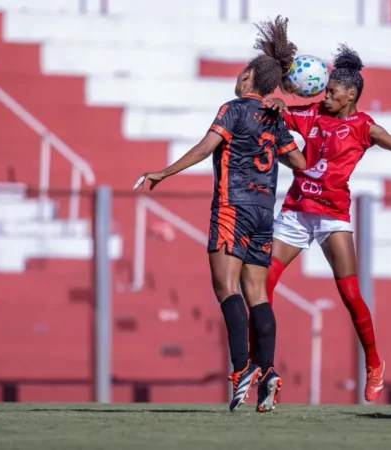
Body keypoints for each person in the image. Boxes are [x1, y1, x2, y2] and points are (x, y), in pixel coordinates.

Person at [256, 45, 391, 403]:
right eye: (324, 91)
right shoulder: (312, 114)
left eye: (332, 92)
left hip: (332, 215)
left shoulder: (363, 127)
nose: (325, 96)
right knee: (262, 285)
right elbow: (278, 115)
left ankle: (373, 363)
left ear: (351, 95)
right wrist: (278, 104)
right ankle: (262, 368)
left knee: (350, 295)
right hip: (296, 210)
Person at [134, 17, 306, 413]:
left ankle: (240, 369)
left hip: (232, 208)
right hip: (265, 214)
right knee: (258, 293)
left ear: (248, 77)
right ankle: (268, 370)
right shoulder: (275, 118)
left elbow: (202, 148)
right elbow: (299, 162)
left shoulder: (233, 109)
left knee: (226, 289)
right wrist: (290, 121)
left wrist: (164, 172)